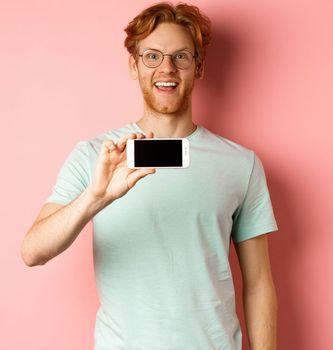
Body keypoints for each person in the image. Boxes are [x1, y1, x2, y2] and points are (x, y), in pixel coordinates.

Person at [20, 2, 279, 349]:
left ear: (198, 67)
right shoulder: (95, 157)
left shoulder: (241, 163)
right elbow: (32, 252)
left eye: (181, 57)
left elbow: (259, 282)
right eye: (152, 56)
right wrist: (94, 198)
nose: (166, 68)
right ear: (134, 65)